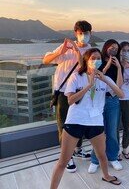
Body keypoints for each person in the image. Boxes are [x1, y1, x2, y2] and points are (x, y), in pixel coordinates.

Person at [50, 48, 124, 188]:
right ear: (86, 60)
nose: (96, 61)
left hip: (95, 122)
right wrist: (88, 86)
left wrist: (106, 81)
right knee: (63, 161)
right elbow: (70, 100)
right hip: (75, 121)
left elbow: (121, 95)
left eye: (98, 58)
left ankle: (106, 176)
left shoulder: (104, 78)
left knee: (102, 155)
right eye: (93, 58)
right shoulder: (77, 76)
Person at [43, 20, 92, 173]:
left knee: (79, 122)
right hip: (64, 91)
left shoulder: (90, 50)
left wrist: (78, 52)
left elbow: (86, 69)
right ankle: (67, 156)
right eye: (81, 33)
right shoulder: (65, 48)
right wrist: (61, 51)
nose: (84, 36)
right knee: (63, 125)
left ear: (91, 33)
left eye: (86, 33)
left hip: (80, 91)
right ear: (75, 34)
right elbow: (45, 60)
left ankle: (77, 149)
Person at [88, 39, 124, 173]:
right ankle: (95, 159)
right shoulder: (98, 61)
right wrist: (107, 65)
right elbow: (95, 77)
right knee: (98, 132)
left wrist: (119, 67)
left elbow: (119, 86)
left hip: (112, 100)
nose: (113, 50)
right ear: (106, 47)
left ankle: (113, 157)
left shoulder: (118, 63)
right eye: (111, 47)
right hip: (98, 100)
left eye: (116, 48)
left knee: (112, 132)